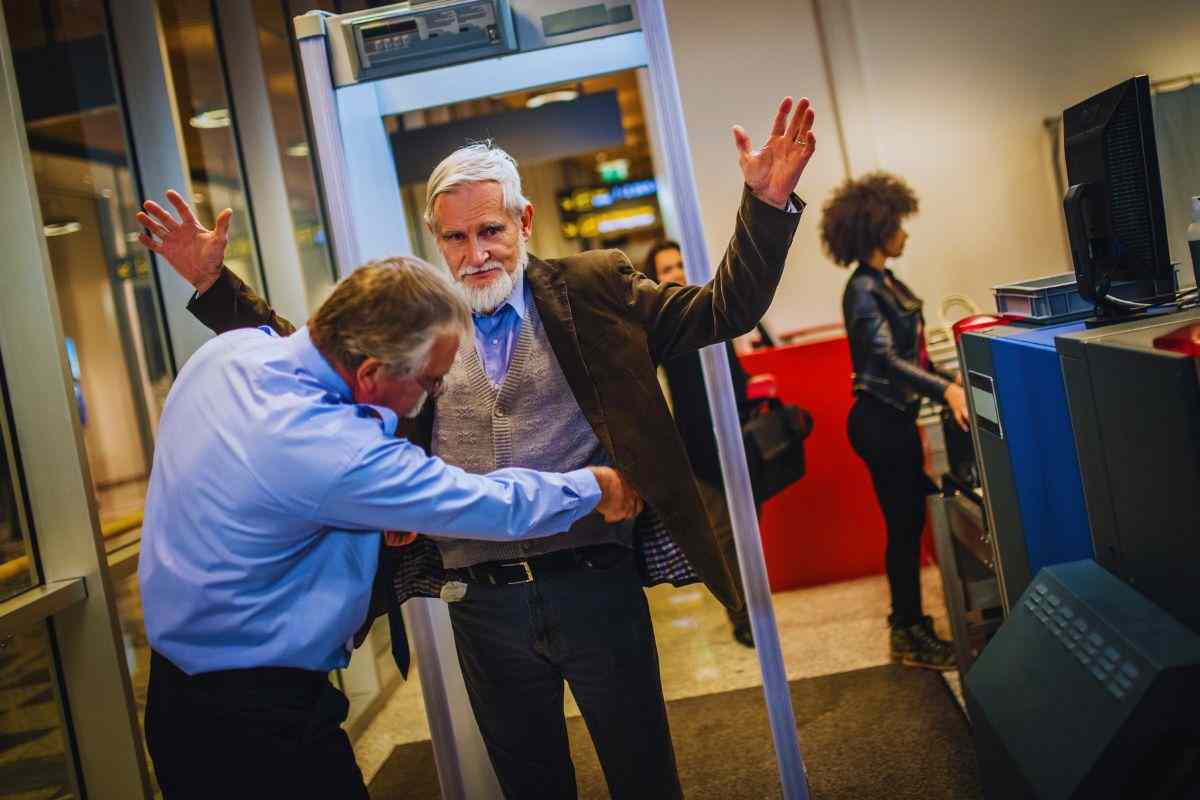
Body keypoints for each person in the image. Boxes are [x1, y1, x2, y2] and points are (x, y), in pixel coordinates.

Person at [143, 94, 816, 799]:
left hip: (594, 583)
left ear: (524, 221)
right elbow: (316, 350)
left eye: (491, 230)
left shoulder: (590, 289)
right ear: (436, 240)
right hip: (482, 604)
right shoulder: (419, 326)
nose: (476, 254)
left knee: (642, 772)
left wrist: (766, 207)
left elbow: (720, 309)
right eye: (455, 239)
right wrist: (215, 287)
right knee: (529, 783)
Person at [134, 254, 642, 799]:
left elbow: (260, 498)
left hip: (174, 701)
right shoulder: (335, 451)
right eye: (432, 381)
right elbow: (488, 503)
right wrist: (596, 486)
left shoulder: (225, 354)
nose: (432, 398)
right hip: (261, 727)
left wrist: (366, 519)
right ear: (372, 372)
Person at [819, 172, 968, 671]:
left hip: (891, 418)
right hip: (880, 422)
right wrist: (946, 389)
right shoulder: (863, 289)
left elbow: (913, 356)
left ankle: (910, 625)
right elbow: (884, 360)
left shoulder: (882, 282)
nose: (905, 233)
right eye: (898, 224)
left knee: (908, 521)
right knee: (903, 527)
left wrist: (952, 377)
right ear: (877, 228)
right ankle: (907, 632)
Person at [645, 239, 754, 648]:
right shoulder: (658, 328)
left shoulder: (711, 312)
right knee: (723, 535)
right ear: (654, 278)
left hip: (734, 441)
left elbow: (736, 374)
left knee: (746, 530)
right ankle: (741, 615)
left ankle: (753, 605)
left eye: (678, 265)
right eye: (665, 268)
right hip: (695, 451)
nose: (674, 274)